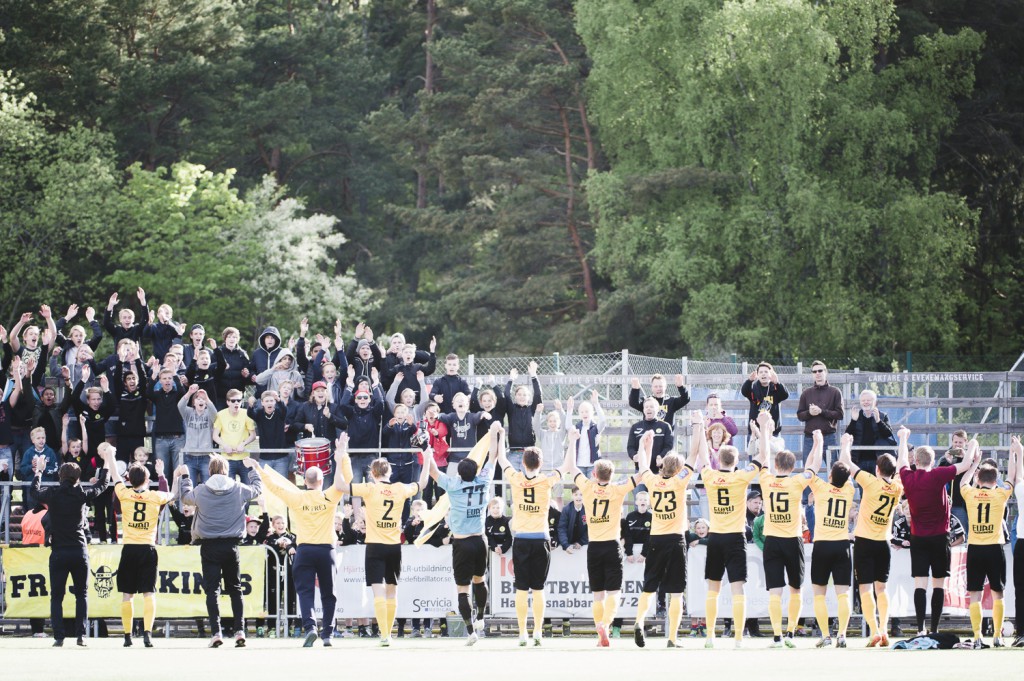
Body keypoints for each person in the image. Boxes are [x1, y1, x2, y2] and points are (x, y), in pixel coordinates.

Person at [335, 434, 429, 646]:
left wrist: (341, 456)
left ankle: (385, 635)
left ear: (372, 474)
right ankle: (389, 634)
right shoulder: (399, 488)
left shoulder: (370, 488)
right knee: (392, 590)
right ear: (390, 472)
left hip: (375, 546)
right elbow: (422, 483)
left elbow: (341, 485)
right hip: (394, 546)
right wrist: (427, 456)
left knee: (378, 591)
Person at [425, 422, 501, 645]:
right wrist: (495, 433)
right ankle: (480, 618)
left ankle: (470, 631)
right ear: (476, 471)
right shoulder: (484, 481)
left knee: (462, 588)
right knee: (480, 581)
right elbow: (493, 456)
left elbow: (432, 471)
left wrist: (427, 450)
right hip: (480, 540)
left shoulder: (453, 485)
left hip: (461, 543)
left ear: (459, 473)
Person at [31, 442, 113, 646]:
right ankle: (80, 635)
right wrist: (106, 463)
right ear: (77, 479)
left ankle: (58, 637)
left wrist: (39, 471)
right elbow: (102, 485)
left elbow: (34, 492)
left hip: (58, 551)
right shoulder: (80, 494)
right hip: (78, 550)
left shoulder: (53, 494)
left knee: (56, 596)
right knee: (81, 595)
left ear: (60, 477)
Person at [180, 454, 263, 648]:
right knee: (235, 589)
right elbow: (257, 490)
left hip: (209, 546)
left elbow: (185, 497)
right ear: (226, 470)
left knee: (212, 591)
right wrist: (252, 470)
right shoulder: (238, 488)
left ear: (210, 471)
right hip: (231, 546)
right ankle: (240, 630)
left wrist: (185, 477)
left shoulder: (201, 490)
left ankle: (216, 632)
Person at [899, 426, 973, 635]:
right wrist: (973, 445)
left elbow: (902, 462)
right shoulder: (939, 475)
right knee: (939, 585)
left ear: (917, 461)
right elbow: (966, 464)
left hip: (918, 538)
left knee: (920, 584)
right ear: (932, 461)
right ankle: (934, 628)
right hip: (940, 537)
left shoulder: (908, 477)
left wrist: (904, 439)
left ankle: (921, 628)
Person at [837, 430, 906, 648]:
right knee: (882, 589)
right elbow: (903, 463)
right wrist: (903, 439)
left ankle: (875, 630)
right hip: (884, 542)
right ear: (893, 472)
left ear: (877, 469)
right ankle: (884, 629)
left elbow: (846, 463)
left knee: (865, 588)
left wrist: (845, 443)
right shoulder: (897, 487)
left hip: (865, 541)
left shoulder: (869, 481)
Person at [702, 416, 764, 649]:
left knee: (713, 588)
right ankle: (738, 637)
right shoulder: (740, 477)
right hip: (736, 536)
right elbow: (762, 458)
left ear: (718, 458)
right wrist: (763, 430)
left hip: (716, 536)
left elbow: (700, 458)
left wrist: (700, 429)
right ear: (736, 460)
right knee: (738, 588)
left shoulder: (709, 475)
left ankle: (710, 636)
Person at [500, 440, 564, 646]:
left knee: (521, 589)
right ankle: (537, 631)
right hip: (541, 539)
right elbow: (568, 466)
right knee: (538, 589)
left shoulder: (516, 478)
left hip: (521, 539)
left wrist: (499, 437)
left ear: (523, 464)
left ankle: (521, 632)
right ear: (541, 463)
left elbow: (502, 459)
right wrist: (571, 441)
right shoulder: (546, 480)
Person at [113, 459, 183, 647]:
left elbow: (114, 475)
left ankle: (127, 636)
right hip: (148, 548)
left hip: (129, 548)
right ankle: (147, 634)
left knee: (127, 595)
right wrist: (173, 476)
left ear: (129, 479)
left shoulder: (124, 494)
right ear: (147, 479)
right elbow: (174, 494)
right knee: (149, 593)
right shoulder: (155, 496)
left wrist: (110, 457)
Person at [803, 429, 854, 648]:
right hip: (842, 545)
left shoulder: (822, 489)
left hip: (822, 545)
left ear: (830, 477)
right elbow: (846, 468)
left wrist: (818, 444)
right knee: (843, 595)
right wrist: (845, 446)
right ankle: (842, 634)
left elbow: (808, 469)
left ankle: (825, 635)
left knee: (819, 595)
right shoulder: (849, 491)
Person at [958, 440, 1013, 648]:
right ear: (995, 479)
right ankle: (997, 636)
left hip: (975, 548)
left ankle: (978, 636)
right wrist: (1015, 455)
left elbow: (963, 482)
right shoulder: (1000, 494)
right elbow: (1013, 479)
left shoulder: (971, 494)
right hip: (994, 547)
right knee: (998, 592)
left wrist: (973, 464)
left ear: (978, 479)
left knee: (975, 593)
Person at [796, 361, 844, 467]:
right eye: (814, 371)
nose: (817, 373)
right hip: (810, 438)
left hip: (829, 437)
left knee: (834, 471)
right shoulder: (806, 393)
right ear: (812, 374)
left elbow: (840, 414)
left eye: (820, 370)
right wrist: (810, 413)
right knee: (809, 472)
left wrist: (821, 411)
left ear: (825, 372)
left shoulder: (835, 392)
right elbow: (800, 415)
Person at [844, 389, 895, 473]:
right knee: (862, 485)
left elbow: (888, 433)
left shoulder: (882, 415)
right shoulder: (857, 415)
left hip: (878, 460)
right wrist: (853, 420)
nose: (866, 402)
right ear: (860, 402)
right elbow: (847, 434)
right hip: (859, 459)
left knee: (877, 485)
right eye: (863, 400)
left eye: (868, 400)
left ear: (874, 402)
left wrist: (878, 421)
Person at [212, 389, 257, 481]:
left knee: (248, 489)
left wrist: (243, 444)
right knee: (229, 488)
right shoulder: (221, 414)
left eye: (239, 400)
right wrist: (225, 446)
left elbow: (253, 435)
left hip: (244, 458)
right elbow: (215, 436)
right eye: (233, 401)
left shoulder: (246, 413)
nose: (236, 403)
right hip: (227, 458)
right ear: (228, 402)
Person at [626, 397, 674, 476]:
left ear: (657, 409)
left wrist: (661, 456)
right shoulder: (635, 427)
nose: (649, 409)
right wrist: (634, 455)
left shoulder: (665, 426)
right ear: (643, 409)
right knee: (640, 489)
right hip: (641, 470)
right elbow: (630, 447)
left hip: (660, 471)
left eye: (652, 407)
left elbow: (669, 446)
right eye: (646, 407)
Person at [740, 362, 789, 437]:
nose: (763, 374)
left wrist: (777, 382)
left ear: (771, 374)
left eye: (766, 372)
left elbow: (785, 395)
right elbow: (744, 392)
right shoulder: (754, 388)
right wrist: (749, 381)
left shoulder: (776, 388)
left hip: (772, 432)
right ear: (758, 375)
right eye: (761, 372)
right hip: (755, 431)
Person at [1008, 436, 1024, 648]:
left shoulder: (1021, 489)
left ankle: (1022, 632)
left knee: (1020, 588)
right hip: (1021, 539)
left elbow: (1015, 476)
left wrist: (1017, 452)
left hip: (1022, 541)